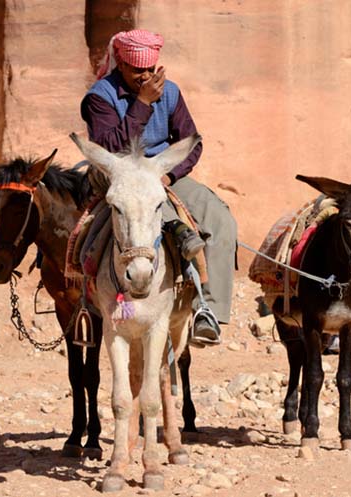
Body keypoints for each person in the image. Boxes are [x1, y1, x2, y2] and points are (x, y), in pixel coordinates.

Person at [80, 29, 237, 347]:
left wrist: (170, 175)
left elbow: (191, 143)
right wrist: (141, 104)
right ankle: (83, 293)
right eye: (138, 70)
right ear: (121, 64)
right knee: (119, 218)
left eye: (151, 69)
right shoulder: (100, 97)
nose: (146, 76)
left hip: (163, 172)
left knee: (221, 220)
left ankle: (208, 312)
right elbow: (111, 145)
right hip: (118, 172)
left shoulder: (171, 92)